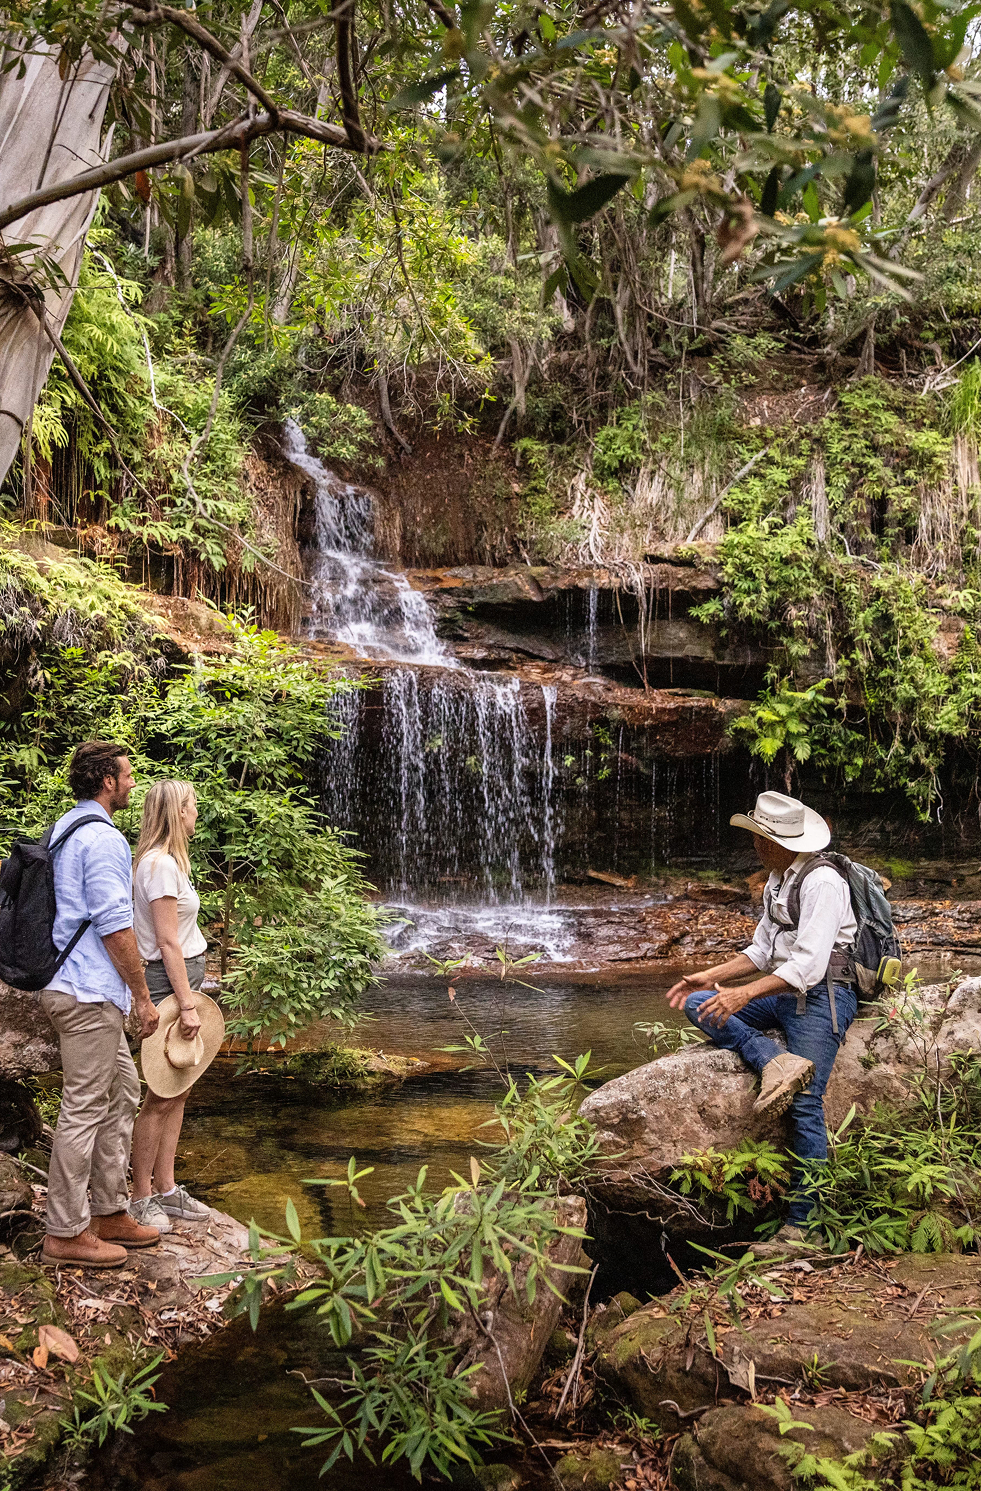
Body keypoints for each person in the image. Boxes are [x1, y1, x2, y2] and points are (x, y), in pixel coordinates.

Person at [666, 790, 858, 1256]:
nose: (753, 843)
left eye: (760, 836)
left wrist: (745, 994)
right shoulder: (777, 880)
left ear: (784, 841)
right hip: (779, 990)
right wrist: (708, 978)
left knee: (806, 1103)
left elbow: (809, 967)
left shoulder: (823, 883)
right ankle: (773, 1059)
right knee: (698, 1003)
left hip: (823, 996)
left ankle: (803, 1228)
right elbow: (761, 952)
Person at [40, 741, 162, 1269]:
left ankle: (110, 1211)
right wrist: (141, 994)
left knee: (123, 1091)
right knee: (85, 1105)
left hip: (74, 984)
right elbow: (114, 923)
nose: (133, 783)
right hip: (88, 991)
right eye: (128, 776)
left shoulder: (65, 828)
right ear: (107, 782)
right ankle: (65, 1231)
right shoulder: (103, 839)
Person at [129, 781, 215, 1230]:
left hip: (182, 979)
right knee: (160, 1095)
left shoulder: (167, 864)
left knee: (178, 1089)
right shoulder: (160, 866)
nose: (196, 814)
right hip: (170, 983)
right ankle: (141, 1197)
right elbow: (165, 941)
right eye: (193, 807)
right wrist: (185, 1005)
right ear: (177, 813)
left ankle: (167, 1187)